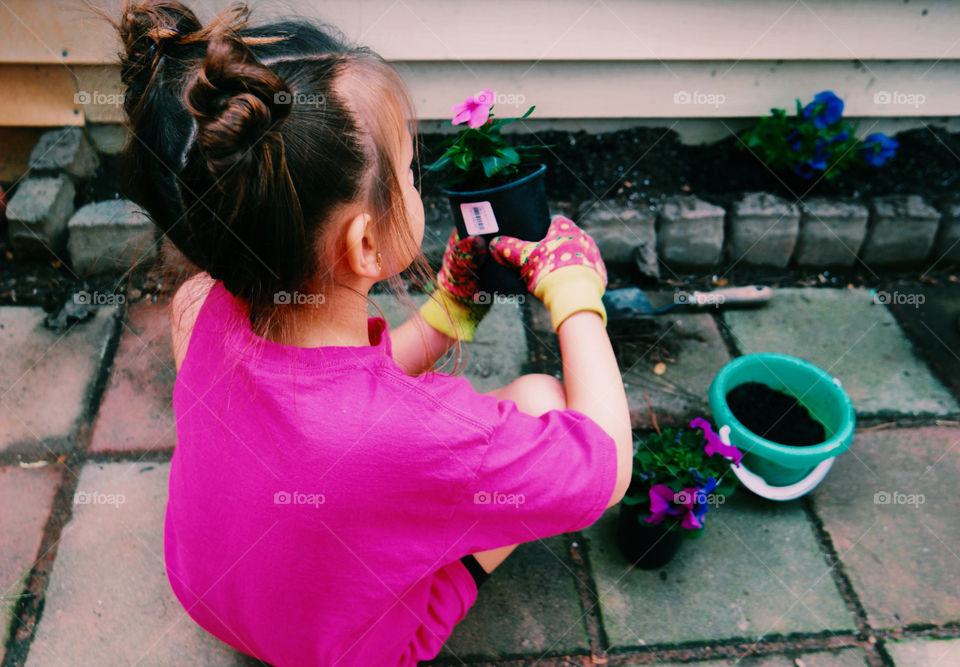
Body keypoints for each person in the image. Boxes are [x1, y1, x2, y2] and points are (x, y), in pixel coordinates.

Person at [110, 1, 632, 664]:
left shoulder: (196, 304)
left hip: (207, 592)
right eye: (410, 173)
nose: (417, 186)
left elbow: (331, 392)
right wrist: (575, 294)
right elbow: (605, 470)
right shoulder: (423, 438)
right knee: (542, 399)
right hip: (337, 650)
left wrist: (445, 316)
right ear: (364, 242)